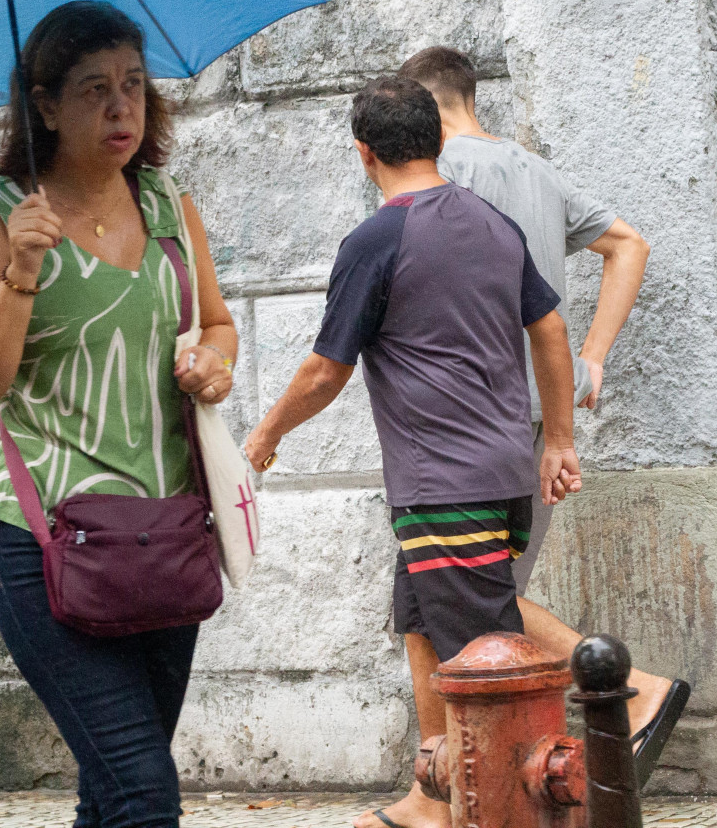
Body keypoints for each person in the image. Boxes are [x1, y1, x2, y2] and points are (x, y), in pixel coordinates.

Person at [239, 76, 580, 828]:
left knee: (493, 669)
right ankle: (437, 799)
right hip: (501, 475)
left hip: (442, 486)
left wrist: (263, 436)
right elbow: (551, 332)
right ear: (436, 139)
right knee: (422, 622)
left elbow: (327, 369)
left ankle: (517, 812)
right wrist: (557, 439)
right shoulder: (494, 225)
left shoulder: (377, 239)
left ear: (364, 154)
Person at [0, 1, 239, 828]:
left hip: (167, 529)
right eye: (93, 89)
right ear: (43, 104)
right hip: (44, 533)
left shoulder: (167, 204)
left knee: (112, 794)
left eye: (134, 86)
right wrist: (23, 271)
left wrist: (213, 361)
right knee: (144, 793)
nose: (120, 109)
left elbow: (216, 323)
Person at [397, 47, 688, 776]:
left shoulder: (440, 176)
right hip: (532, 414)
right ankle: (446, 786)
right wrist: (592, 357)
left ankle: (629, 692)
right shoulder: (534, 170)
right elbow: (628, 244)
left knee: (461, 591)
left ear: (423, 110)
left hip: (472, 424)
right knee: (436, 603)